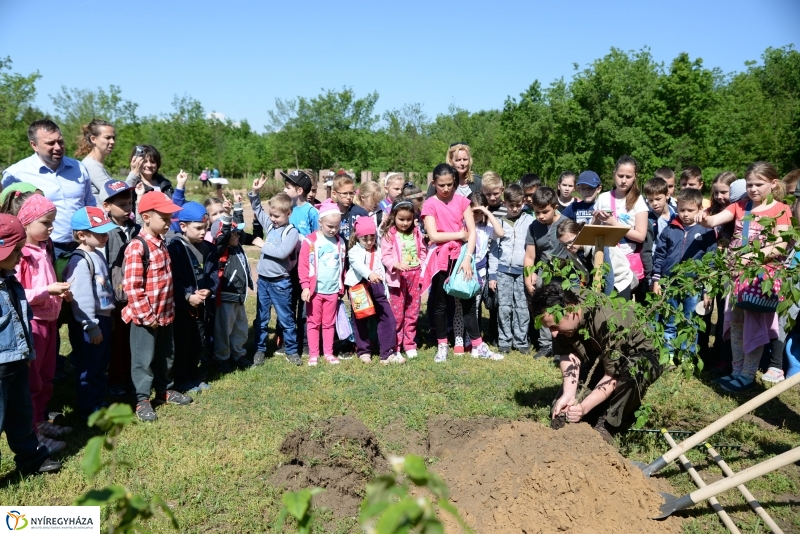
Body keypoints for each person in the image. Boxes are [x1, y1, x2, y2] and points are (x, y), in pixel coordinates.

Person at [697, 162, 791, 392]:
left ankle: (748, 375)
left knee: (754, 326)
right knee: (736, 324)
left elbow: (780, 245)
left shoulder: (781, 209)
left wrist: (751, 257)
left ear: (773, 184)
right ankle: (737, 371)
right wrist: (703, 219)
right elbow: (713, 220)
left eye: (759, 184)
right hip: (736, 277)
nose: (753, 189)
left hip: (760, 279)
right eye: (750, 184)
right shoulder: (740, 205)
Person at [532, 282, 664, 443]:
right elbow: (568, 353)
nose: (553, 334)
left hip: (640, 356)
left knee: (632, 373)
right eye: (549, 328)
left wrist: (583, 408)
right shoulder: (559, 311)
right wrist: (569, 394)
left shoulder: (608, 320)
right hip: (602, 358)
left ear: (572, 309)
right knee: (560, 411)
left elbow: (611, 375)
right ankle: (614, 403)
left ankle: (609, 423)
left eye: (554, 327)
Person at [4, 193, 72, 446]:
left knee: (46, 376)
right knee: (32, 381)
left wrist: (61, 292)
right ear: (27, 222)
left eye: (52, 221)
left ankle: (41, 422)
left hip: (49, 323)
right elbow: (19, 294)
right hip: (33, 325)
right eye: (45, 222)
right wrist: (48, 291)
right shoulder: (21, 256)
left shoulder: (45, 248)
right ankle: (33, 434)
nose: (51, 227)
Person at [122, 191, 191, 422]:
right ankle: (141, 399)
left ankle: (164, 389)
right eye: (165, 217)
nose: (169, 222)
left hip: (165, 314)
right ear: (147, 217)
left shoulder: (162, 243)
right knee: (143, 360)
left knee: (166, 356)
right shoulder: (138, 247)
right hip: (145, 319)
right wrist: (146, 314)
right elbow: (132, 286)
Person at [0, 214, 61, 474]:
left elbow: (22, 319)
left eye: (19, 249)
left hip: (18, 359)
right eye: (13, 251)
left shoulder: (11, 280)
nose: (18, 255)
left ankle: (30, 458)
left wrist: (28, 352)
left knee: (21, 415)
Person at [421, 164, 500, 362]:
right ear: (434, 184)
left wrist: (467, 259)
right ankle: (442, 346)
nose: (446, 189)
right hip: (440, 258)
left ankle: (478, 345)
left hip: (462, 257)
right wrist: (459, 235)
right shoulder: (430, 204)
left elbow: (472, 232)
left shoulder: (463, 201)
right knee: (440, 304)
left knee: (468, 301)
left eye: (450, 184)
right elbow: (433, 235)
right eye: (441, 185)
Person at [1, 119, 96, 257]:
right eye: (50, 143)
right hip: (43, 249)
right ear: (34, 145)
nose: (58, 147)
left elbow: (90, 206)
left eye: (60, 141)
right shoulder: (16, 174)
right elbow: (6, 216)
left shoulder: (79, 168)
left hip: (82, 245)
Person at [63, 207, 117, 419]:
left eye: (105, 231)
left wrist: (107, 316)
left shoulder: (96, 255)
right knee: (89, 366)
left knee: (101, 363)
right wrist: (92, 326)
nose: (105, 236)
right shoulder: (80, 261)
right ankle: (88, 407)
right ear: (82, 235)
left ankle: (98, 400)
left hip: (101, 320)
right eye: (100, 232)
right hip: (89, 323)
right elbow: (82, 298)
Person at [651, 188, 717, 355]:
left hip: (693, 284)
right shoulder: (670, 229)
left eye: (690, 210)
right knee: (670, 319)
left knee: (691, 321)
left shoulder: (706, 231)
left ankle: (688, 354)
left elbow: (710, 260)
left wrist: (707, 288)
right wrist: (657, 280)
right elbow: (659, 256)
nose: (685, 214)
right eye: (682, 210)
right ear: (677, 208)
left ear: (700, 209)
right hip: (670, 283)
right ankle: (669, 354)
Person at [249, 187, 300, 366]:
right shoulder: (270, 225)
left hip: (281, 283)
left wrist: (262, 244)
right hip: (263, 281)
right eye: (271, 215)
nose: (272, 219)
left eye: (277, 216)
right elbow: (257, 209)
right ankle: (259, 350)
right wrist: (255, 193)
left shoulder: (292, 232)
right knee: (261, 319)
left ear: (289, 213)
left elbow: (282, 252)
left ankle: (292, 351)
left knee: (286, 318)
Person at [167, 202, 212, 393]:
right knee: (183, 344)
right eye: (199, 228)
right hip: (183, 307)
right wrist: (186, 297)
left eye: (205, 228)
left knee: (197, 342)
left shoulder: (206, 247)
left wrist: (207, 290)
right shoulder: (175, 247)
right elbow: (173, 278)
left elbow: (209, 274)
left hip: (200, 306)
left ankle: (194, 375)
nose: (203, 232)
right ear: (183, 226)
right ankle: (182, 379)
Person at [453, 192, 503, 354]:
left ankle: (470, 339)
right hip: (463, 272)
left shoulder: (486, 229)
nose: (477, 216)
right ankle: (459, 339)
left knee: (474, 310)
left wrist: (487, 212)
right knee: (460, 309)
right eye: (474, 212)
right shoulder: (463, 227)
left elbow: (500, 233)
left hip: (480, 274)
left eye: (480, 212)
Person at [101, 181, 138, 398]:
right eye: (122, 205)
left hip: (133, 297)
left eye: (130, 203)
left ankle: (129, 376)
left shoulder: (136, 228)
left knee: (130, 341)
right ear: (107, 206)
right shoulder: (104, 233)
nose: (128, 209)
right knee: (115, 343)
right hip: (115, 300)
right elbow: (103, 268)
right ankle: (114, 379)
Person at [523, 186, 569, 359]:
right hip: (544, 273)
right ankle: (545, 345)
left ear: (555, 207)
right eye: (536, 212)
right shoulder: (534, 227)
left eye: (545, 212)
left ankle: (561, 347)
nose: (540, 216)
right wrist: (529, 278)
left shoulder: (566, 223)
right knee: (544, 309)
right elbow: (529, 256)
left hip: (565, 275)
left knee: (563, 311)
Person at [205, 206, 253, 373]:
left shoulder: (237, 245)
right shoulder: (220, 249)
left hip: (238, 296)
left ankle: (238, 353)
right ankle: (222, 357)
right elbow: (223, 237)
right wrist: (226, 226)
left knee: (240, 327)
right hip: (225, 297)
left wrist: (237, 209)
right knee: (223, 330)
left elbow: (239, 226)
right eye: (233, 233)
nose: (237, 235)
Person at [299, 200, 346, 366]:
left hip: (332, 291)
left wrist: (341, 286)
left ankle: (328, 353)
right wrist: (305, 286)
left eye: (336, 226)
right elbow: (303, 266)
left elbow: (342, 265)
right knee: (313, 323)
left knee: (329, 323)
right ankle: (313, 354)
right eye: (329, 226)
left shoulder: (340, 242)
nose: (333, 230)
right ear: (320, 222)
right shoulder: (310, 241)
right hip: (315, 292)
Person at [345, 217, 397, 364]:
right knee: (360, 319)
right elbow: (357, 265)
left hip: (378, 286)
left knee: (387, 318)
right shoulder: (354, 250)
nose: (369, 242)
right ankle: (363, 351)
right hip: (359, 287)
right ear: (358, 237)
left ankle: (387, 353)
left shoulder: (379, 249)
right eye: (364, 239)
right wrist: (369, 274)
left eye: (372, 238)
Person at [489, 184, 534, 354]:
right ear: (504, 203)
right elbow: (493, 250)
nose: (515, 209)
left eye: (518, 205)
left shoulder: (530, 221)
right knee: (505, 307)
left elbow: (533, 249)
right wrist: (492, 274)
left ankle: (521, 341)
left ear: (523, 202)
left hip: (523, 271)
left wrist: (532, 271)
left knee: (522, 307)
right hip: (503, 271)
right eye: (511, 205)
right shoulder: (499, 223)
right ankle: (504, 340)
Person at [381, 199, 426, 361]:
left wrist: (421, 264)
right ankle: (396, 346)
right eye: (401, 219)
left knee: (413, 311)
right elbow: (385, 256)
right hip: (398, 278)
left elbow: (422, 250)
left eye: (408, 219)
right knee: (397, 314)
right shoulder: (390, 234)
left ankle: (409, 343)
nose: (405, 223)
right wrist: (396, 264)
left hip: (414, 275)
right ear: (394, 216)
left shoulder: (416, 232)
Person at [592, 156, 649, 284]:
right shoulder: (603, 198)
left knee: (623, 301)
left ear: (635, 177)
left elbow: (640, 236)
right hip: (603, 256)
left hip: (625, 260)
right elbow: (594, 229)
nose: (623, 180)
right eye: (620, 175)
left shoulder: (638, 201)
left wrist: (615, 224)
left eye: (628, 177)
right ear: (614, 174)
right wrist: (596, 219)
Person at [556, 220, 636, 298]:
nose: (568, 246)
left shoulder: (598, 246)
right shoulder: (572, 251)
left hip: (619, 280)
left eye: (571, 241)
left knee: (616, 310)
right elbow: (575, 278)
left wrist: (605, 301)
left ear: (580, 234)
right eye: (564, 244)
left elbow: (608, 276)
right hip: (596, 281)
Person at [126, 145, 175, 226]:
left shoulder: (165, 184)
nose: (149, 165)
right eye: (145, 161)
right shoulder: (134, 185)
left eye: (152, 162)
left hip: (167, 227)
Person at [76, 119, 116, 205]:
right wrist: (134, 173)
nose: (112, 142)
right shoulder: (92, 165)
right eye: (107, 138)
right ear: (93, 139)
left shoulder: (96, 164)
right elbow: (116, 194)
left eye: (113, 138)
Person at [643, 177, 676, 266]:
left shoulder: (677, 214)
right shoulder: (649, 220)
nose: (654, 203)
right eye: (650, 200)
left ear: (667, 195)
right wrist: (649, 273)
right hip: (656, 263)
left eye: (658, 199)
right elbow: (647, 249)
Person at [332, 174, 368, 243]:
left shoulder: (360, 213)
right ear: (334, 194)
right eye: (344, 193)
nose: (348, 197)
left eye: (351, 193)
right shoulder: (330, 212)